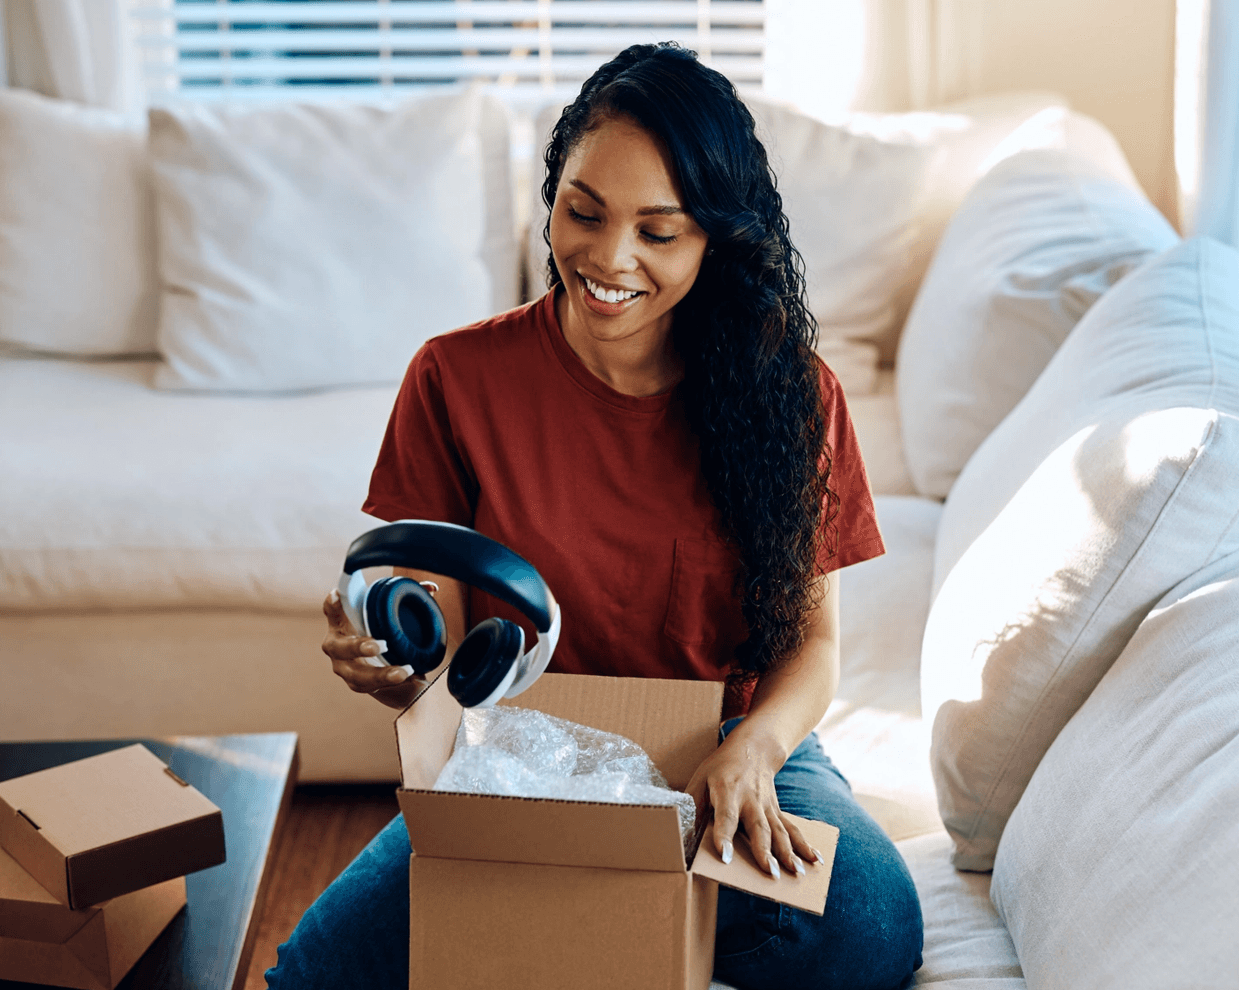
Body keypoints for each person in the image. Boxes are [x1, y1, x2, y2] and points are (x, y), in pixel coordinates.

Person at [267, 43, 924, 990]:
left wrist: (756, 750)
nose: (609, 260)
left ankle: (577, 927)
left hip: (726, 751)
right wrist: (390, 657)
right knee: (314, 979)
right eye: (584, 213)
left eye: (659, 233)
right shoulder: (455, 377)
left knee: (867, 927)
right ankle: (614, 923)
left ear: (714, 241)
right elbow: (438, 631)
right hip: (524, 759)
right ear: (554, 198)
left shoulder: (795, 397)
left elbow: (814, 647)